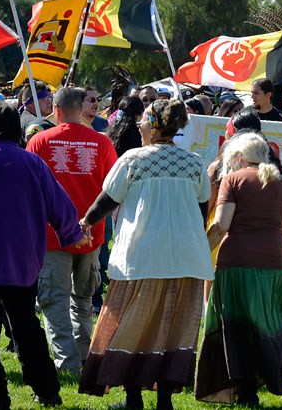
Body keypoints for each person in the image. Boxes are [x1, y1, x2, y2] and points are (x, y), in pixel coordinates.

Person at [0, 102, 89, 410]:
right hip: (20, 263)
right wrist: (73, 236)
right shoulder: (33, 163)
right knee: (26, 330)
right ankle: (48, 391)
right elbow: (60, 207)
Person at [78, 98, 212, 410]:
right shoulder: (193, 163)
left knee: (131, 325)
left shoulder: (134, 159)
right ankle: (164, 399)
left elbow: (108, 200)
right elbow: (202, 209)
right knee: (173, 328)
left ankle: (133, 397)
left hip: (142, 256)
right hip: (185, 258)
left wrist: (86, 221)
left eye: (142, 120)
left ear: (152, 124)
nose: (138, 124)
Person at [195, 132, 282, 405]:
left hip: (236, 267)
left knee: (237, 328)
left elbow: (220, 227)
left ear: (240, 158)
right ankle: (263, 380)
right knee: (268, 325)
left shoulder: (232, 180)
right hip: (276, 267)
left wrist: (195, 257)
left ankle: (245, 390)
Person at [26, 87, 118, 374]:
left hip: (53, 236)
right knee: (83, 299)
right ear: (81, 108)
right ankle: (81, 355)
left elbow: (30, 189)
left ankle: (67, 362)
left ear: (55, 108)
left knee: (55, 300)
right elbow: (114, 188)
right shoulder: (101, 143)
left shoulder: (40, 141)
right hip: (91, 236)